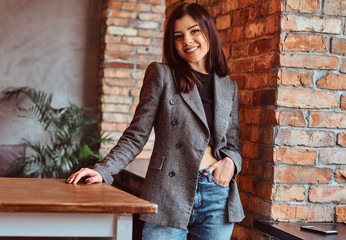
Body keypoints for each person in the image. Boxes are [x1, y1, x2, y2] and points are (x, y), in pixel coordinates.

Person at [66, 3, 244, 240]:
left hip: (217, 195)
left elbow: (232, 143)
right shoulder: (162, 75)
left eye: (194, 31)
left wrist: (231, 163)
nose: (187, 41)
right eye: (178, 36)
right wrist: (104, 170)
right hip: (168, 193)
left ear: (208, 31)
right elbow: (136, 135)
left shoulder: (227, 86)